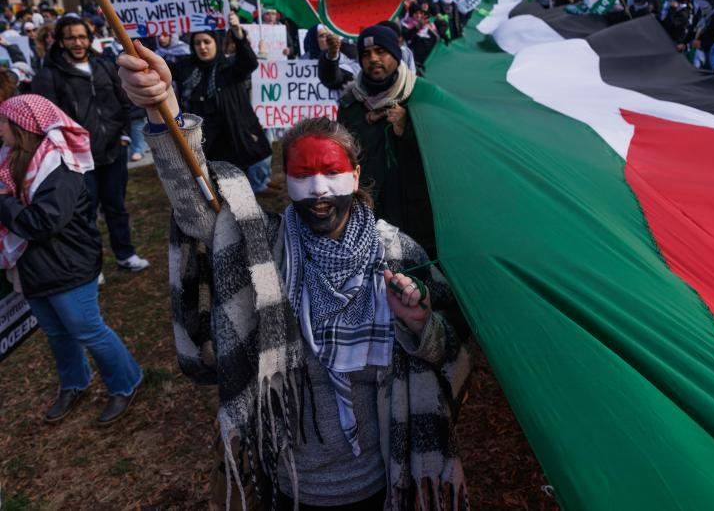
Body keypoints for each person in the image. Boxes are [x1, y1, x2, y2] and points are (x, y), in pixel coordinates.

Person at [115, 43, 470, 509]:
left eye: (331, 171)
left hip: (385, 478)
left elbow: (454, 355)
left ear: (357, 173)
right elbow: (198, 209)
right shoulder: (266, 250)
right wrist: (164, 112)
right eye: (302, 174)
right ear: (285, 179)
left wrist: (421, 323)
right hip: (292, 484)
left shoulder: (398, 254)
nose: (319, 189)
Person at [0, 95, 142, 424]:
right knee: (57, 333)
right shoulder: (11, 162)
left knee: (88, 330)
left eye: (4, 122)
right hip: (35, 268)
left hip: (68, 265)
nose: (0, 129)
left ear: (23, 127)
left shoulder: (58, 167)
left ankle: (125, 382)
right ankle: (75, 383)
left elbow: (43, 222)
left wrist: (4, 204)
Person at [32, 16, 149, 272]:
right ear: (61, 41)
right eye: (71, 37)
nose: (77, 42)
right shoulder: (49, 75)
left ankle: (125, 254)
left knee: (116, 207)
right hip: (76, 159)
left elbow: (125, 101)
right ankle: (92, 266)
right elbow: (45, 120)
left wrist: (125, 137)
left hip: (114, 151)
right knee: (85, 214)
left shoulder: (104, 66)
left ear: (89, 38)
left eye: (82, 36)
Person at [318, 25, 436, 257]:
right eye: (366, 53)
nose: (373, 59)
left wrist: (409, 128)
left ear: (396, 53)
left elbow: (439, 151)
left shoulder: (420, 97)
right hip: (370, 208)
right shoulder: (352, 104)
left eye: (381, 51)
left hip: (416, 213)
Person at [169, 12, 271, 183]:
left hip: (231, 139)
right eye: (197, 43)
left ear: (216, 43)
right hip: (200, 143)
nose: (202, 47)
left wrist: (238, 32)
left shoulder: (228, 68)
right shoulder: (186, 68)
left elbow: (249, 62)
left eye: (206, 42)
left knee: (235, 187)